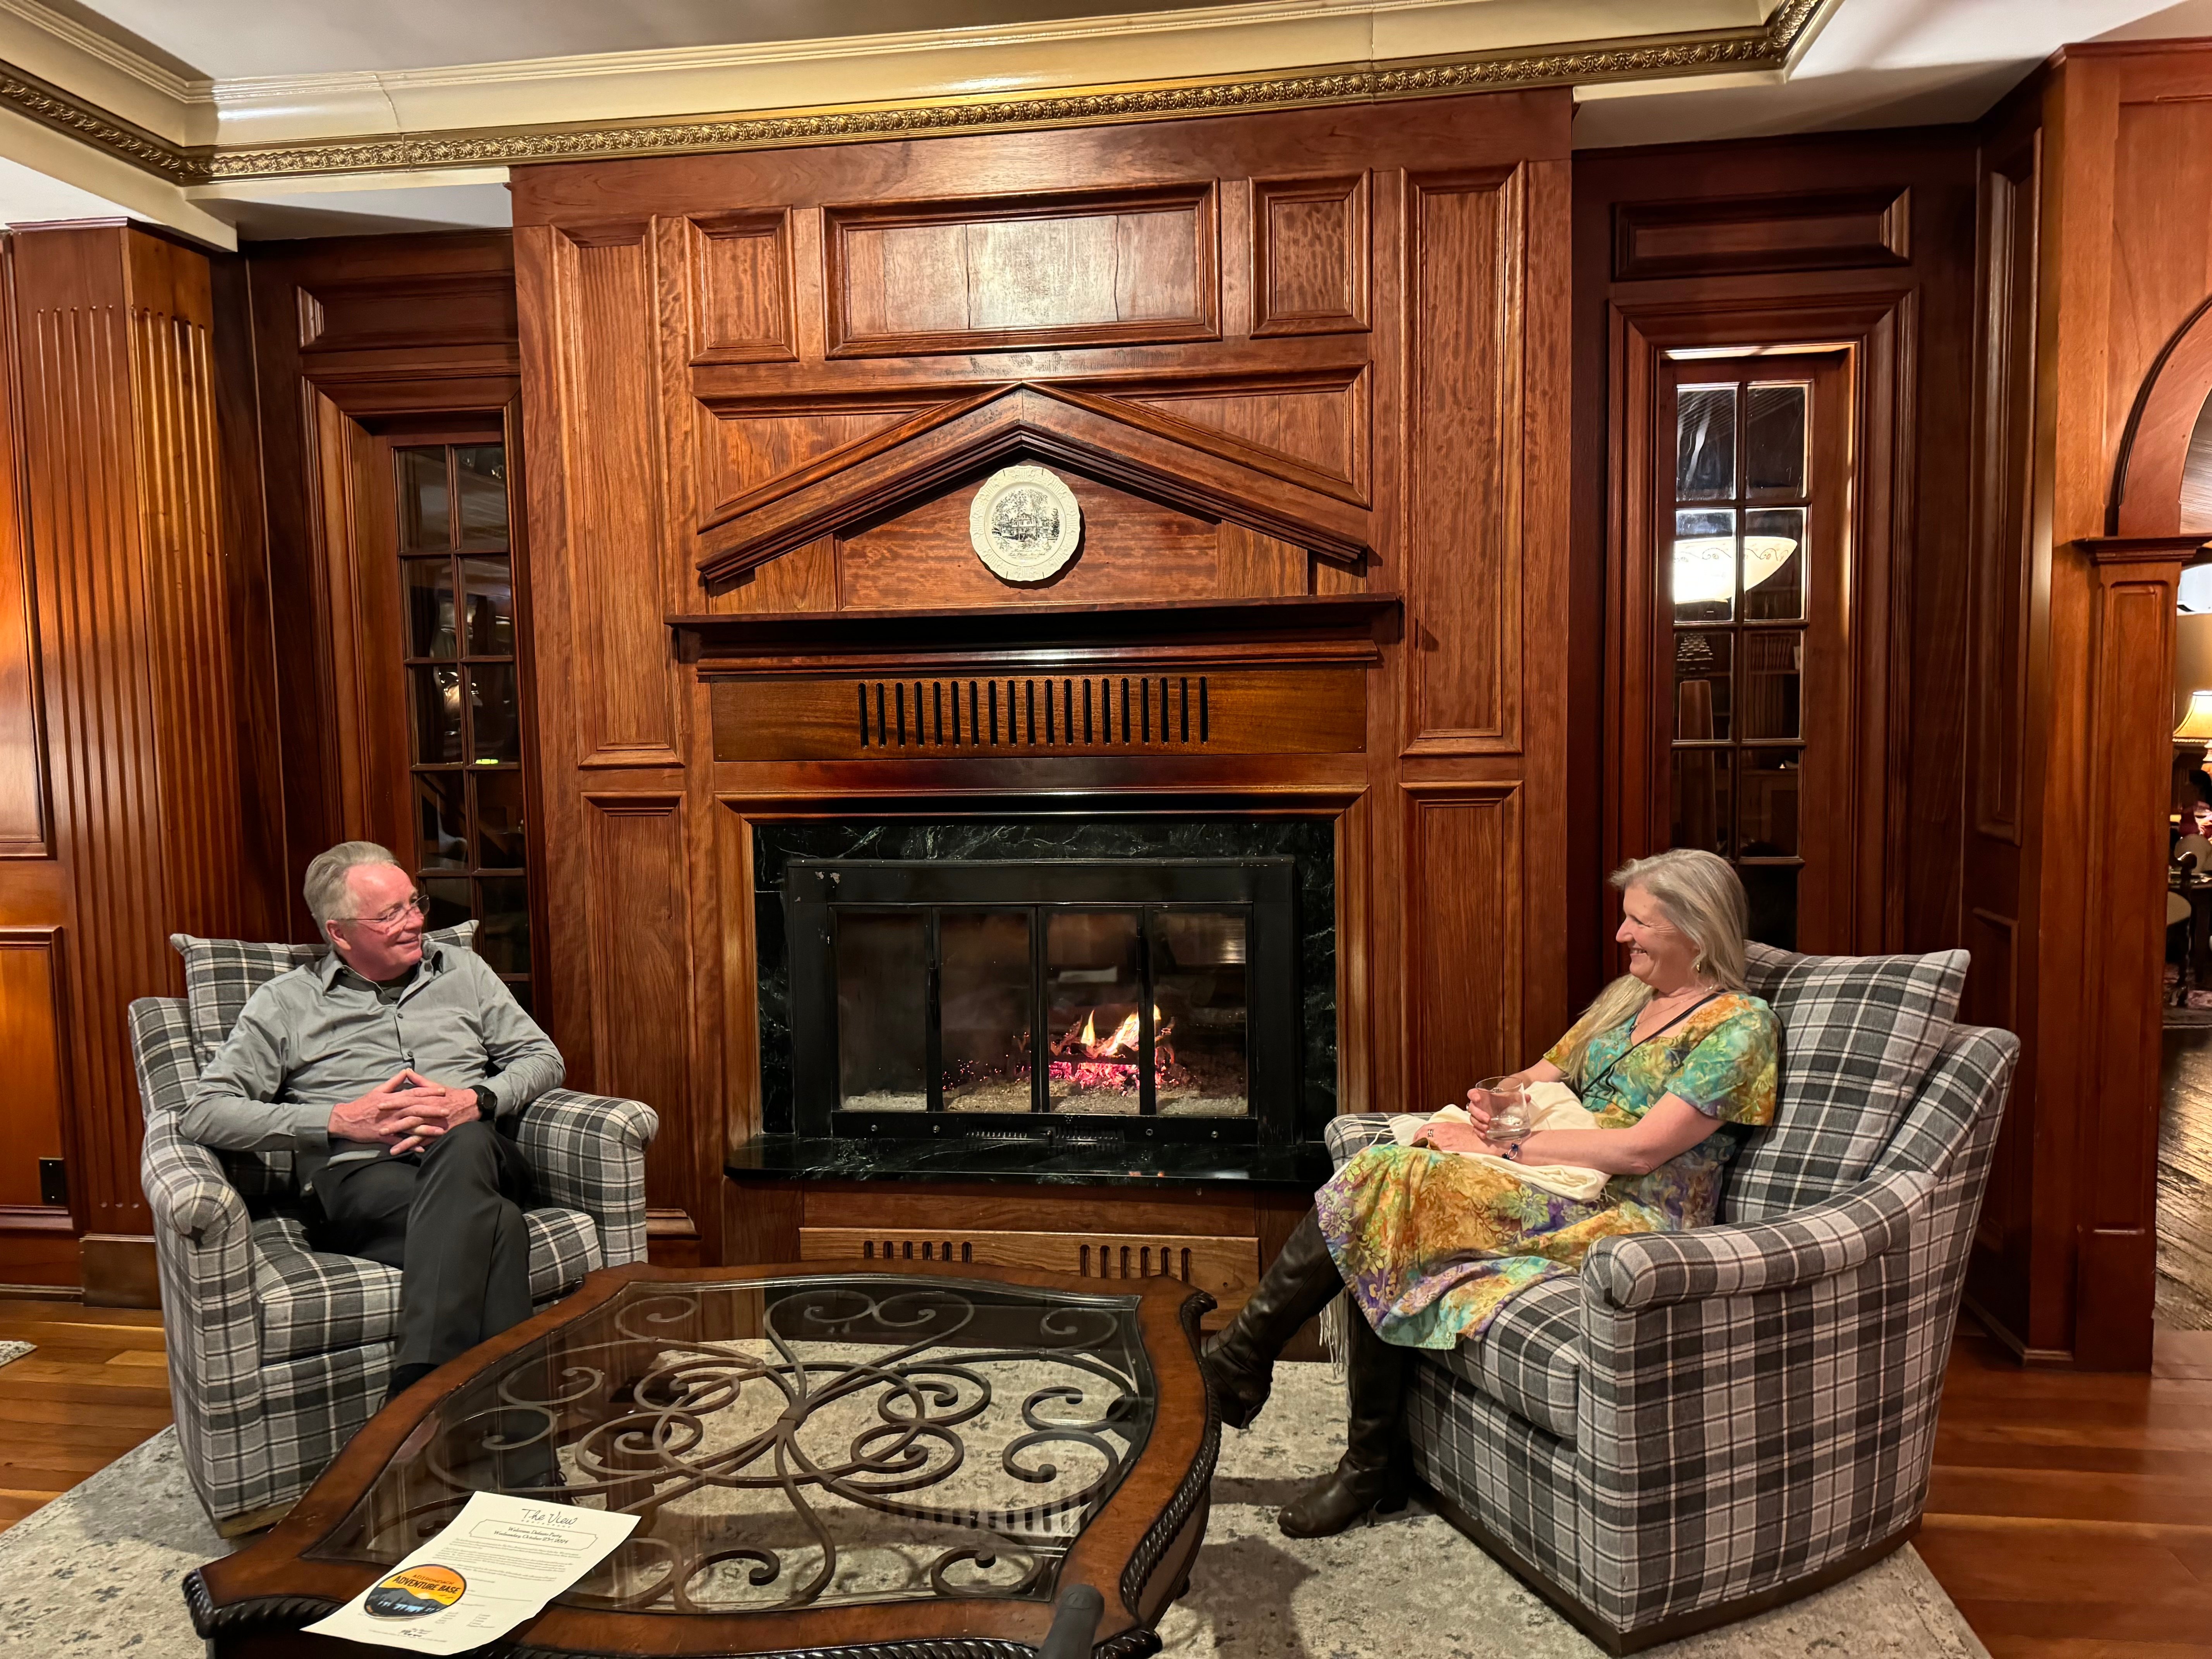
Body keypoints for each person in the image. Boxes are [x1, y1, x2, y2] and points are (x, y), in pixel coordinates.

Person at [1200, 847, 1778, 1537]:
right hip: (1556, 1180)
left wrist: (1502, 1146)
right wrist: (1497, 1097)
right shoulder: (1629, 1002)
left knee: (1396, 1189)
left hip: (1628, 1216)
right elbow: (1540, 1073)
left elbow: (1642, 1148)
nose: (1621, 936)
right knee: (1392, 1192)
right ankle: (1351, 1452)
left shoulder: (1740, 1027)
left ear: (1696, 929)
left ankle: (1255, 1377)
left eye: (1638, 923)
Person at [177, 841, 565, 1403]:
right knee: (498, 1228)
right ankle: (521, 1462)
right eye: (392, 915)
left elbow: (543, 1058)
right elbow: (205, 1112)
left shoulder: (464, 971)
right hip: (365, 1179)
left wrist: (476, 1100)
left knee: (463, 1139)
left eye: (415, 903)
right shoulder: (285, 1003)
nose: (417, 923)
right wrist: (338, 1120)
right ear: (339, 934)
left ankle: (416, 1392)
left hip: (478, 1154)